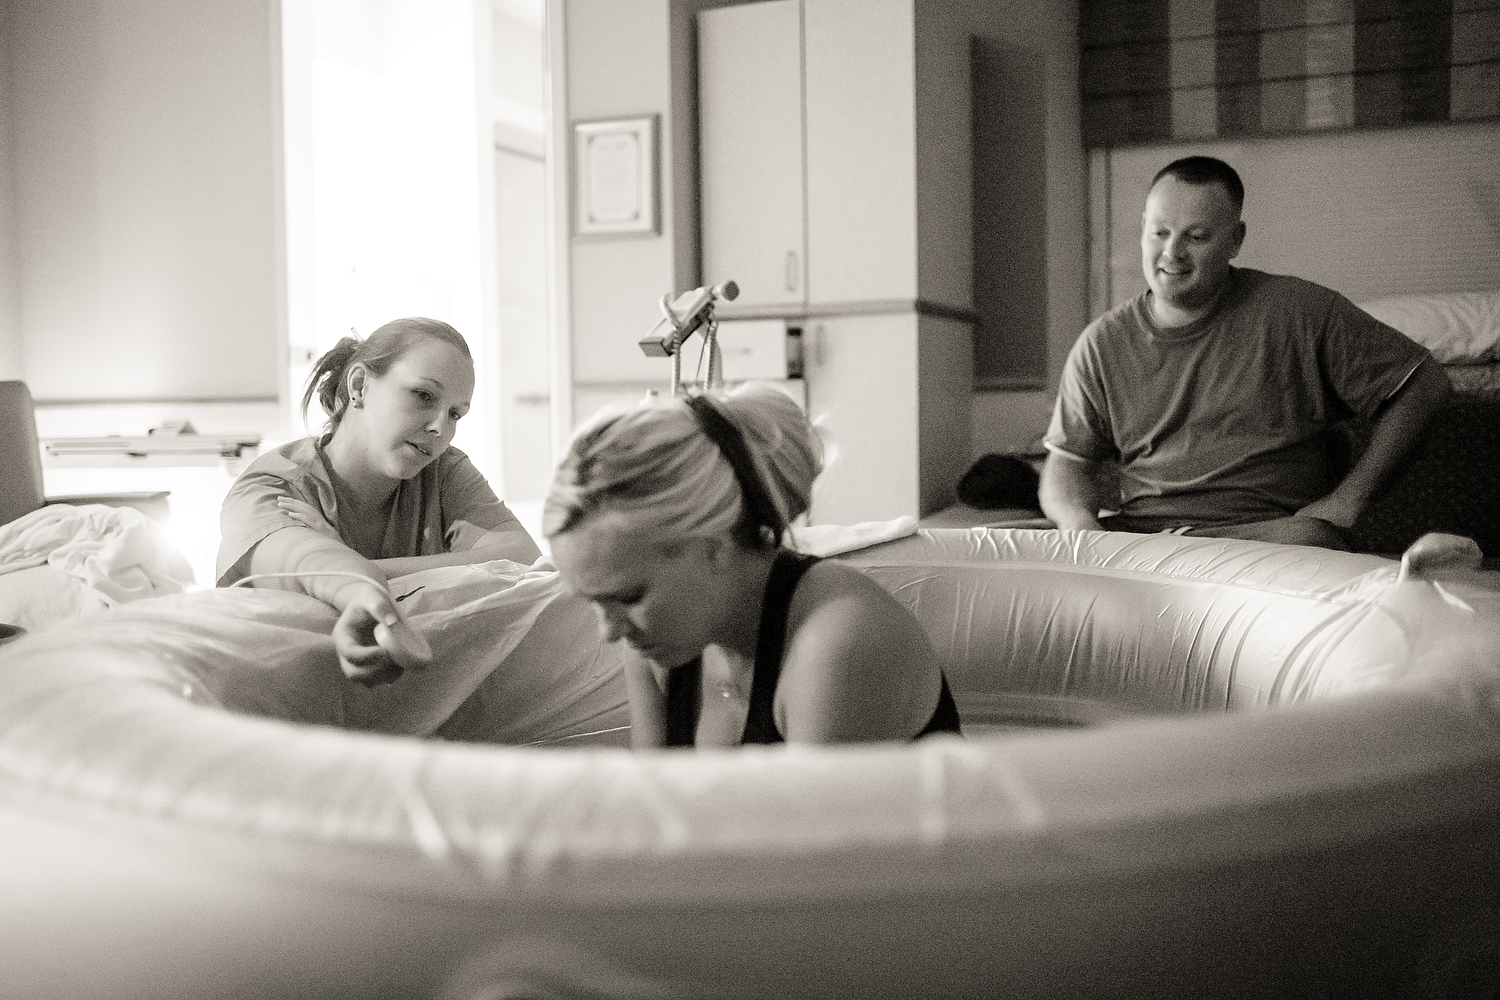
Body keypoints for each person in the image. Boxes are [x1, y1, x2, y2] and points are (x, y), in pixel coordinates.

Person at [1040, 156, 1451, 549]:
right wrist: (1080, 526)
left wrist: (1348, 501)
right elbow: (1067, 464)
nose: (1172, 252)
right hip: (1145, 542)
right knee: (1008, 542)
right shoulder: (1101, 343)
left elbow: (1425, 385)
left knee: (1309, 540)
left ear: (1235, 240)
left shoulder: (1300, 312)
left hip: (1267, 540)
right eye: (1160, 233)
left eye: (1196, 237)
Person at [543, 383, 961, 748]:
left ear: (713, 547)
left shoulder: (839, 644)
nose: (609, 631)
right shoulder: (659, 646)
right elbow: (653, 810)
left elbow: (804, 821)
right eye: (594, 602)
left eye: (629, 596)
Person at [217, 317, 540, 684]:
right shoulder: (274, 483)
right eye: (423, 396)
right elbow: (301, 562)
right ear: (359, 386)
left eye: (455, 414)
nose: (440, 428)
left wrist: (359, 564)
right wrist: (358, 589)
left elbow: (521, 557)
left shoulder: (443, 473)